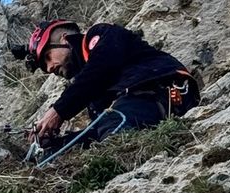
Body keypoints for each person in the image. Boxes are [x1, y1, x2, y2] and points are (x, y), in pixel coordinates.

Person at [10, 20, 200, 150]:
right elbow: (98, 128)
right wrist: (53, 143)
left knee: (113, 128)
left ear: (64, 38)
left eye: (48, 57)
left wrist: (57, 112)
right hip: (138, 106)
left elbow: (101, 67)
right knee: (70, 146)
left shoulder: (101, 34)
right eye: (44, 67)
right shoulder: (91, 87)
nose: (49, 68)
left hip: (163, 88)